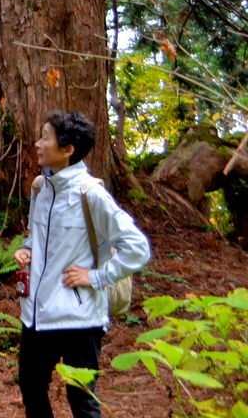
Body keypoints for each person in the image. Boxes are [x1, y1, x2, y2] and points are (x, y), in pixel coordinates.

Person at [13, 111, 151, 418]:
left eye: (45, 138)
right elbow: (37, 237)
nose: (37, 144)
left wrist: (97, 276)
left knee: (82, 399)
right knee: (31, 388)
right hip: (36, 315)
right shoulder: (40, 188)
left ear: (67, 150)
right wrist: (26, 250)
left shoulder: (91, 194)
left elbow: (137, 247)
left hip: (79, 318)